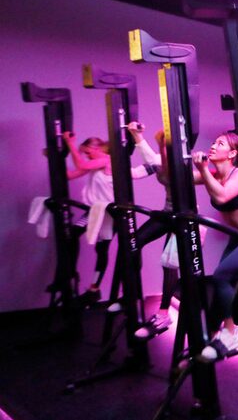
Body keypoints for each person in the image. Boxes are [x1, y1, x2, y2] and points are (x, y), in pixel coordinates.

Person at [63, 132, 154, 307]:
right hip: (96, 210)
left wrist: (70, 143)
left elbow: (80, 163)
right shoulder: (94, 165)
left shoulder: (106, 160)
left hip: (110, 212)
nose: (87, 157)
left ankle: (115, 292)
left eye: (88, 153)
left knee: (119, 248)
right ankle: (84, 284)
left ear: (96, 148)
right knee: (79, 238)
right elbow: (71, 174)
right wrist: (56, 157)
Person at [192, 130, 238, 362]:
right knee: (223, 283)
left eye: (220, 144)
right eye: (214, 142)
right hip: (237, 236)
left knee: (221, 277)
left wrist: (201, 171)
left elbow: (222, 198)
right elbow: (171, 178)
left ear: (233, 153)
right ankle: (216, 334)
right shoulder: (214, 174)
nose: (214, 146)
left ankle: (232, 333)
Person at [125, 122, 178, 339]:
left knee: (169, 263)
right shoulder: (158, 160)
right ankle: (131, 296)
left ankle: (164, 313)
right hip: (167, 213)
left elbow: (165, 174)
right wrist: (109, 161)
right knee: (133, 242)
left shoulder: (182, 163)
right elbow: (136, 173)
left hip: (184, 218)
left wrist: (139, 138)